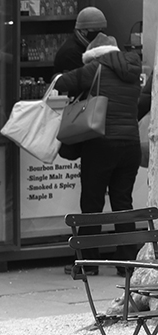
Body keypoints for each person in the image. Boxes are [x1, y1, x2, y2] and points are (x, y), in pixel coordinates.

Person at [55, 33, 142, 277]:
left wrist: (58, 77)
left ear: (95, 54)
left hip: (101, 144)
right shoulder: (133, 70)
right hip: (130, 144)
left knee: (92, 204)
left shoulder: (96, 68)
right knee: (123, 204)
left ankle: (88, 263)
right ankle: (127, 263)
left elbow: (63, 83)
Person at [54, 6, 107, 76]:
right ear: (83, 30)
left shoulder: (90, 45)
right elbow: (84, 79)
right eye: (95, 30)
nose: (100, 34)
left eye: (102, 29)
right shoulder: (71, 52)